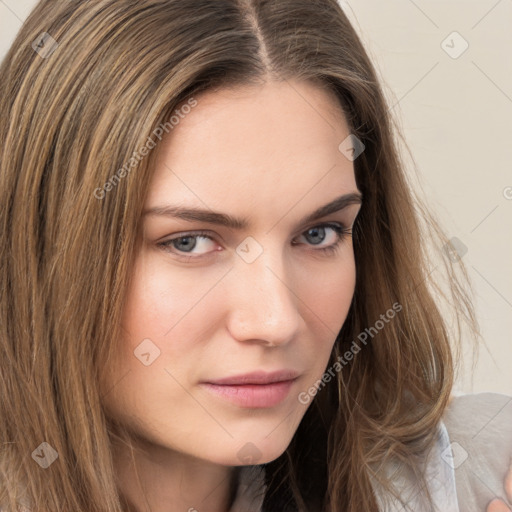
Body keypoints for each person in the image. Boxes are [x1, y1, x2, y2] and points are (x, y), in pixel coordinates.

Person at [0, 1, 510, 511]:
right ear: (40, 247)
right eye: (190, 241)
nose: (278, 321)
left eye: (319, 234)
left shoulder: (475, 475)